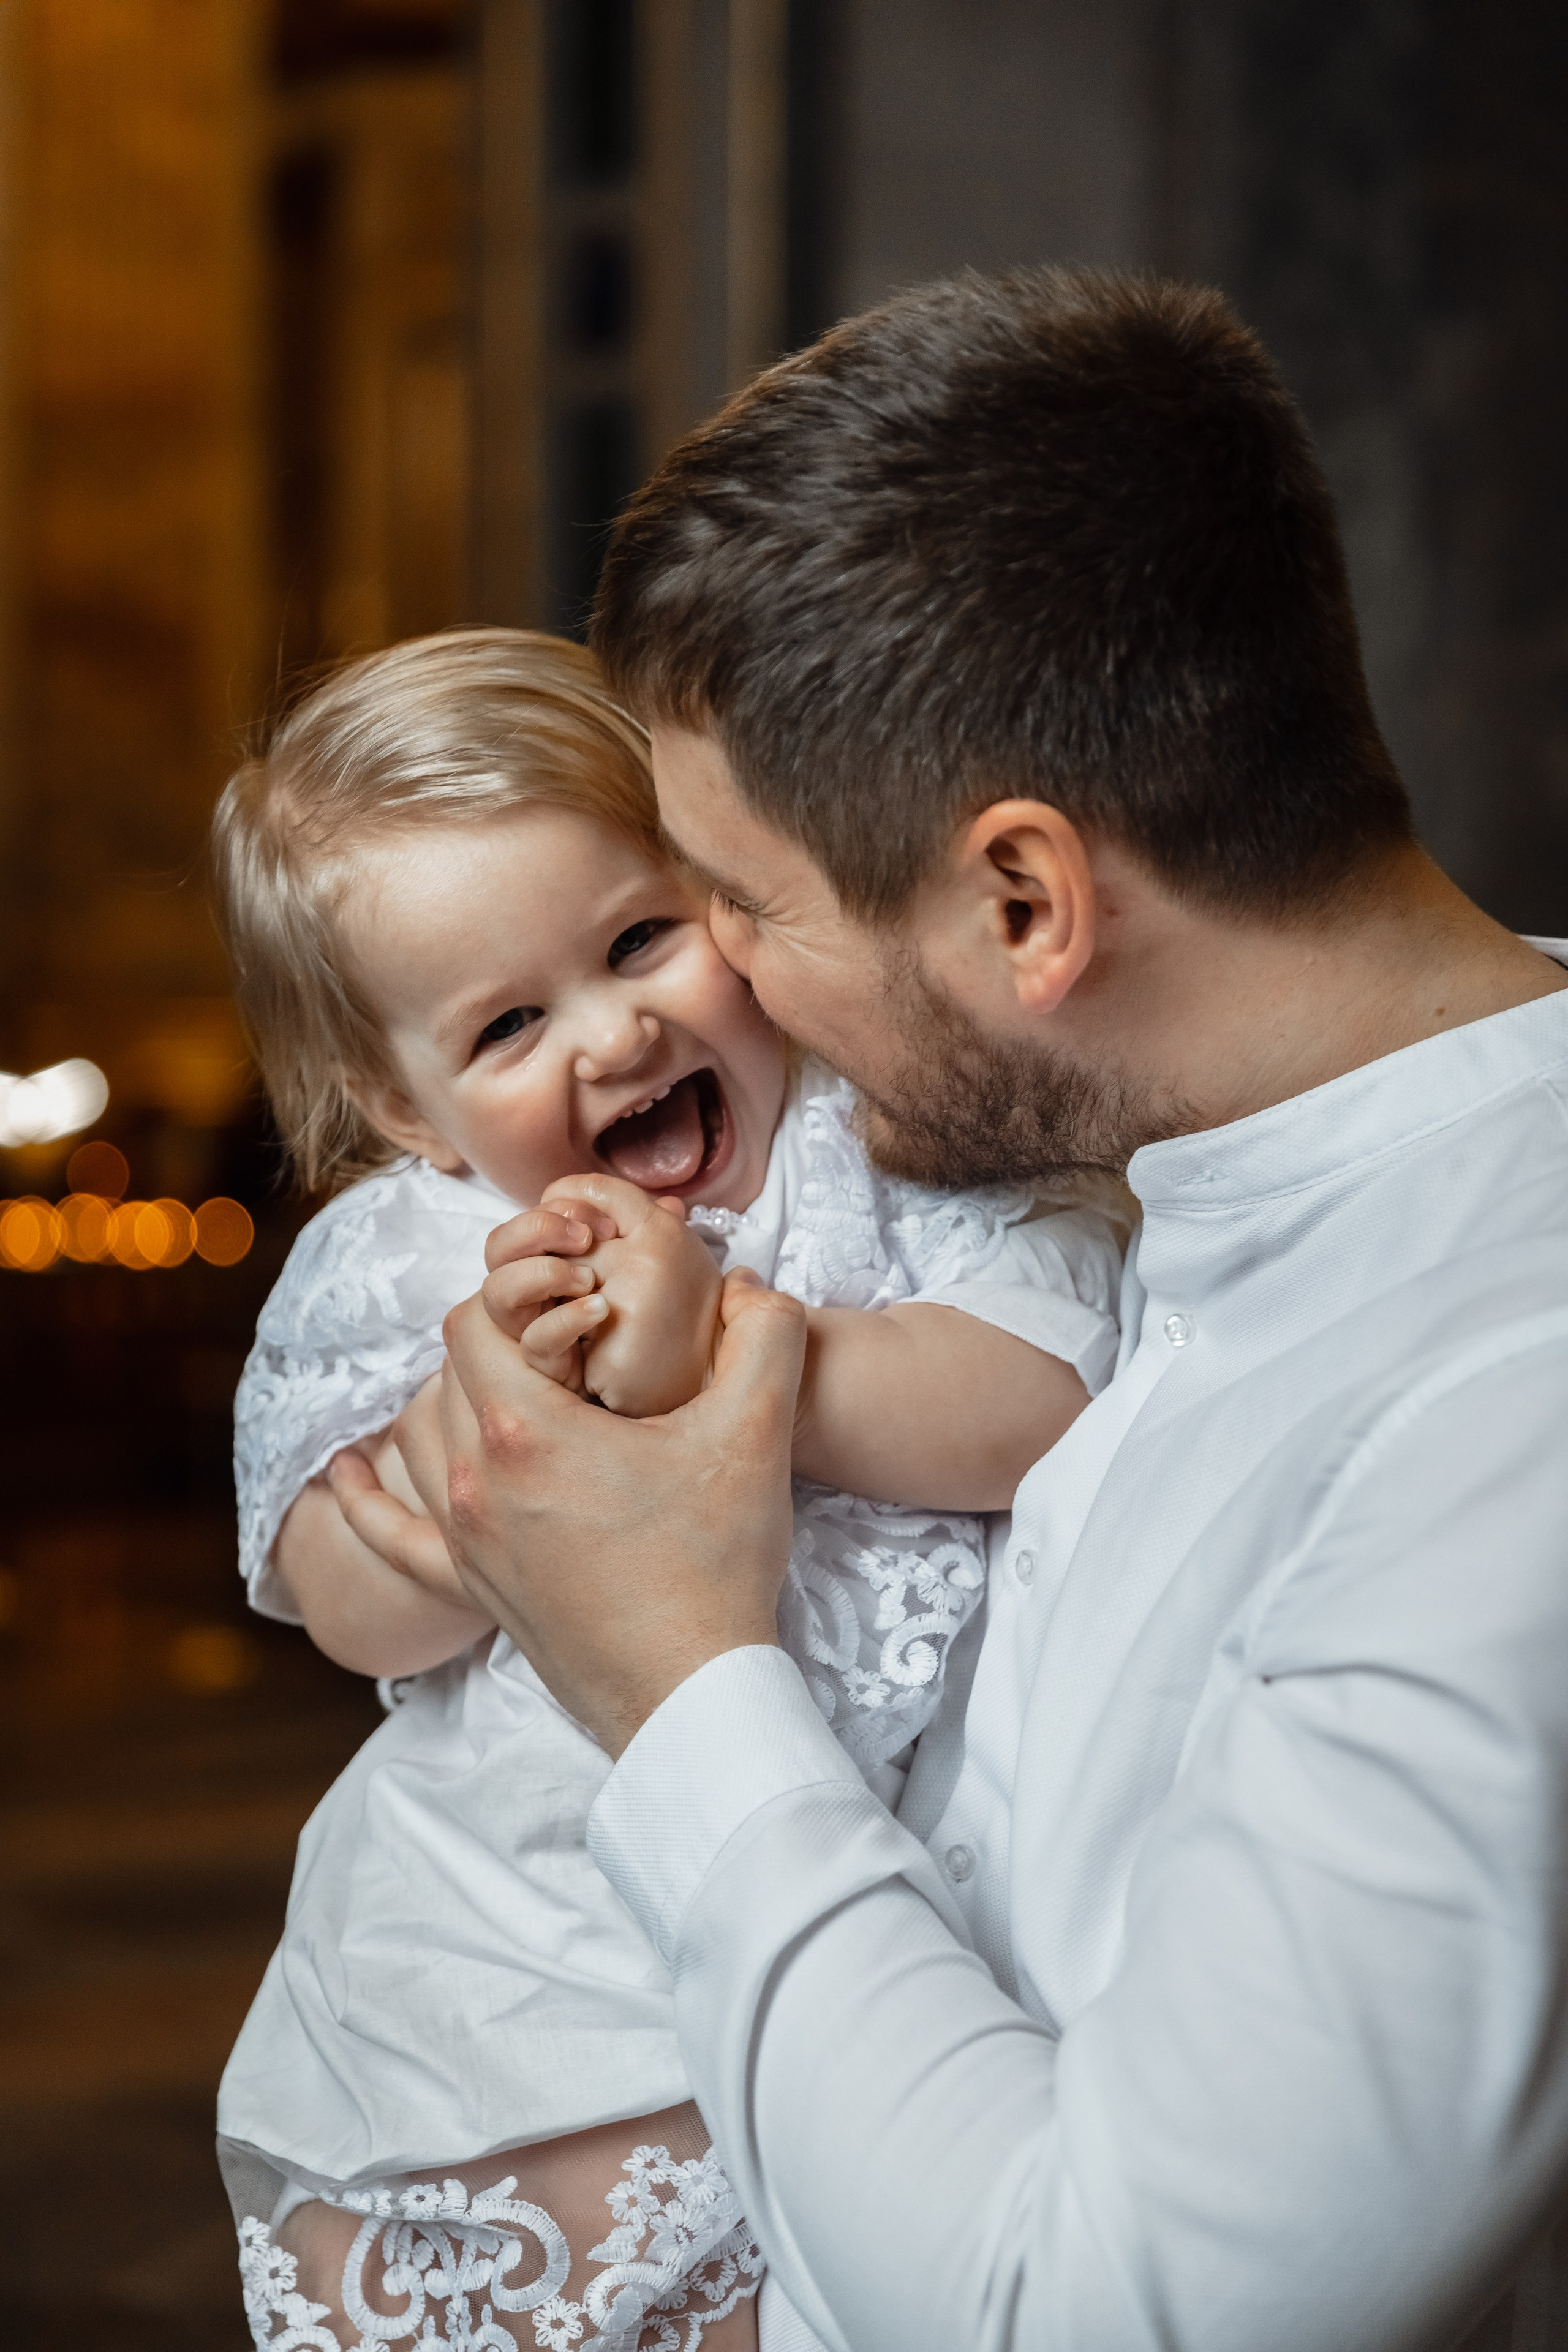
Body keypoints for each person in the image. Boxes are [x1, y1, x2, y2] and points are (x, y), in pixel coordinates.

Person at [391, 269, 1568, 2352]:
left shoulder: (1505, 1414)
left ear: (1024, 904)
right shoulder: (1188, 1205)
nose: (729, 991)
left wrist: (667, 1671)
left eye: (740, 905)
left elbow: (1106, 2314)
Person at [208, 628, 1123, 2351]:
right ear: (401, 1111)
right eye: (505, 1024)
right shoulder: (401, 1265)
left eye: (641, 936)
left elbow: (1037, 1396)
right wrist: (474, 1470)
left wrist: (738, 1362)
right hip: (478, 1951)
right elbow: (339, 1598)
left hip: (823, 1932)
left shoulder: (881, 1145)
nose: (615, 1031)